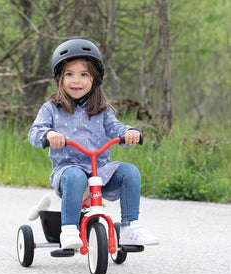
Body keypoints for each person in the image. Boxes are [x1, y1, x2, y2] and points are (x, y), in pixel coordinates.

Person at [28, 39, 159, 249]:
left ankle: (129, 227)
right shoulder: (51, 108)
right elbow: (35, 132)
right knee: (76, 175)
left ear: (95, 79)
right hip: (67, 171)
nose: (76, 80)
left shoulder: (102, 109)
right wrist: (50, 134)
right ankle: (69, 229)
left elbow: (116, 129)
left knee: (130, 172)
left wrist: (129, 133)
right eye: (69, 74)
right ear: (59, 78)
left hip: (101, 171)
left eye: (84, 74)